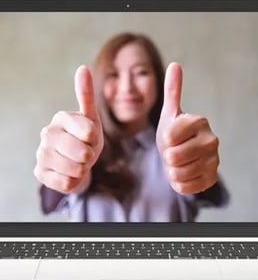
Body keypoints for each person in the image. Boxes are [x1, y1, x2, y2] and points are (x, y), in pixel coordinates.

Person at [33, 33, 229, 222]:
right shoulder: (86, 151)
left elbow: (216, 196)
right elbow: (48, 203)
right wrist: (65, 165)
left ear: (158, 81)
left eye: (141, 72)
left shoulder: (176, 149)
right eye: (113, 74)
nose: (127, 87)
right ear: (100, 82)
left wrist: (196, 162)